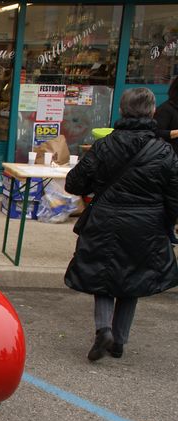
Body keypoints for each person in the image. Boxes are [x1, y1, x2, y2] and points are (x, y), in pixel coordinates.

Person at [64, 87, 178, 362]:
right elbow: (174, 195)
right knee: (133, 278)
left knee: (102, 275)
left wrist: (96, 185)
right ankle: (120, 340)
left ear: (122, 111)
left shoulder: (105, 145)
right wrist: (168, 225)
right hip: (146, 223)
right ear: (152, 112)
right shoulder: (163, 151)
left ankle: (104, 330)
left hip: (105, 218)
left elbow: (74, 182)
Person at [154, 76, 178, 244]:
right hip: (171, 158)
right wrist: (175, 133)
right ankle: (167, 231)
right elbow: (156, 132)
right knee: (170, 198)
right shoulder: (166, 109)